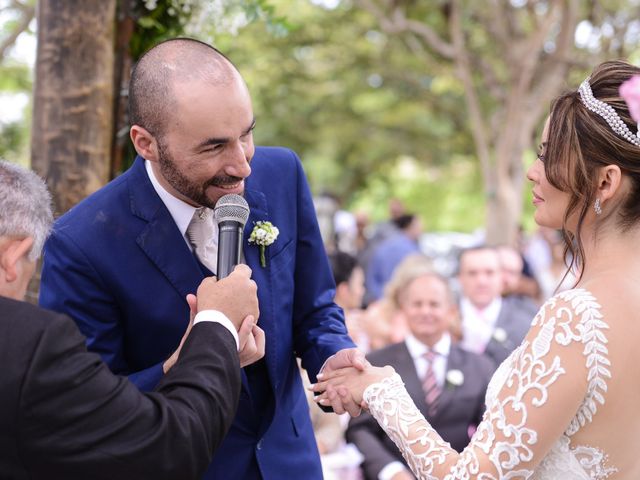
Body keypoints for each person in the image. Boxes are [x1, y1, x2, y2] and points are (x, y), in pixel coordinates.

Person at [38, 38, 363, 479]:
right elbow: (88, 408)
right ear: (146, 143)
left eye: (246, 134)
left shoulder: (282, 173)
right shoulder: (82, 244)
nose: (241, 165)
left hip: (291, 463)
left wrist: (332, 355)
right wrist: (187, 359)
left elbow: (314, 307)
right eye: (213, 147)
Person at [312, 60, 640, 478]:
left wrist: (382, 390)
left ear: (605, 183)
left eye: (548, 156)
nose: (531, 172)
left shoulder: (577, 317)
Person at [0, 160, 261, 480]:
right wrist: (216, 323)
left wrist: (178, 362)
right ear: (13, 257)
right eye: (30, 265)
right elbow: (169, 447)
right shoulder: (30, 346)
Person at [346, 269, 493, 480]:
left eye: (434, 304)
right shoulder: (376, 363)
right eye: (417, 304)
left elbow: (488, 430)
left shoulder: (479, 366)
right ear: (404, 310)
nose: (425, 312)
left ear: (451, 312)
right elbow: (360, 430)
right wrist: (391, 471)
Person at [456, 246, 533, 368]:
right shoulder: (442, 318)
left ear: (501, 277)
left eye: (489, 272)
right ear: (459, 278)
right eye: (472, 273)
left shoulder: (525, 324)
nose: (481, 281)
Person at [365, 214, 422, 304]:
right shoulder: (412, 250)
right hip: (403, 302)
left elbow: (371, 277)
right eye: (419, 226)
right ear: (410, 226)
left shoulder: (382, 246)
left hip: (381, 300)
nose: (421, 230)